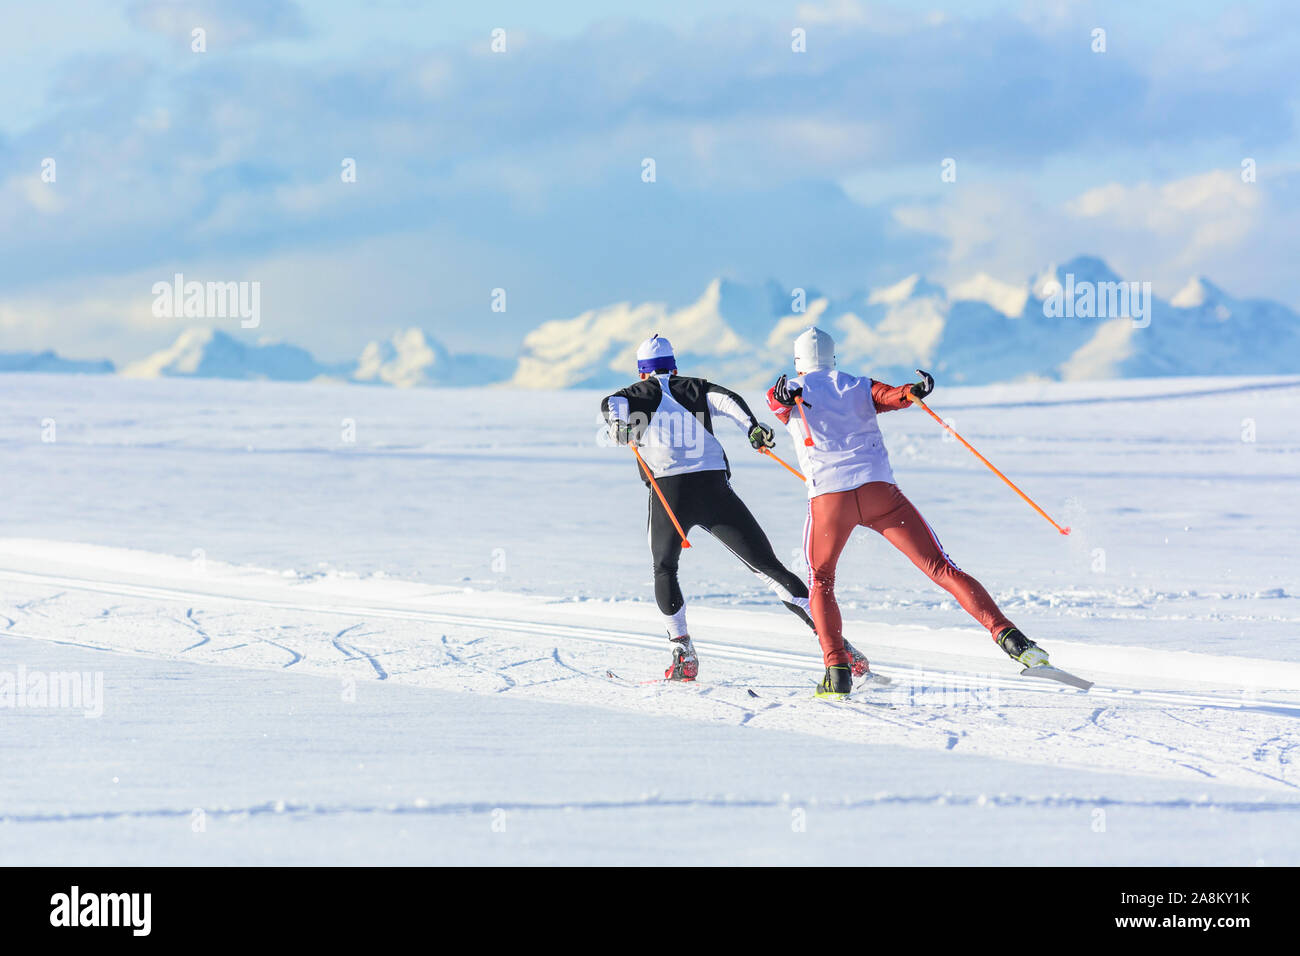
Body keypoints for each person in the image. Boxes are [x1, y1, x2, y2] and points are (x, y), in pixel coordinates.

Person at [766, 326, 1051, 699]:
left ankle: (836, 671)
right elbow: (893, 396)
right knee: (942, 568)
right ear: (834, 357)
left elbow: (777, 398)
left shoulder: (795, 391)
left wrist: (786, 391)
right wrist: (913, 392)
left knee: (821, 580)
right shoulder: (857, 384)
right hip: (880, 494)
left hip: (829, 501)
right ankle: (1013, 640)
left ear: (798, 362)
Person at [601, 333, 872, 681]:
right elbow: (729, 401)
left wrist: (618, 427)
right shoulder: (697, 387)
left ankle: (683, 652)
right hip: (713, 488)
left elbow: (611, 405)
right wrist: (753, 429)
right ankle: (837, 646)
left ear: (642, 372)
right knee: (768, 569)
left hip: (669, 493)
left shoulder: (634, 394)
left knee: (665, 569)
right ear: (674, 366)